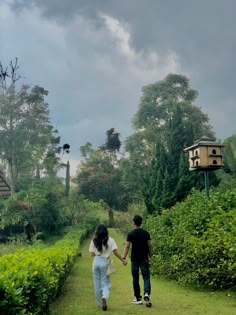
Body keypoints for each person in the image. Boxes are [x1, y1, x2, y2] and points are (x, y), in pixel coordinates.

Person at [89, 223, 127, 311]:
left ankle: (99, 303)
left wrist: (98, 252)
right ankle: (104, 297)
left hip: (95, 262)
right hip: (105, 262)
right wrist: (123, 260)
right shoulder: (110, 240)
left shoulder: (94, 240)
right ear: (106, 231)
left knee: (97, 283)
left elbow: (91, 254)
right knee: (106, 283)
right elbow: (115, 252)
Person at [123, 214, 152, 307]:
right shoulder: (146, 233)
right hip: (144, 258)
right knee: (146, 277)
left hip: (134, 259)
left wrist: (124, 257)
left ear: (134, 222)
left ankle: (138, 298)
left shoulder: (131, 234)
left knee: (135, 278)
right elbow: (149, 246)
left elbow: (127, 246)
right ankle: (147, 293)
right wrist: (150, 256)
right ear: (141, 222)